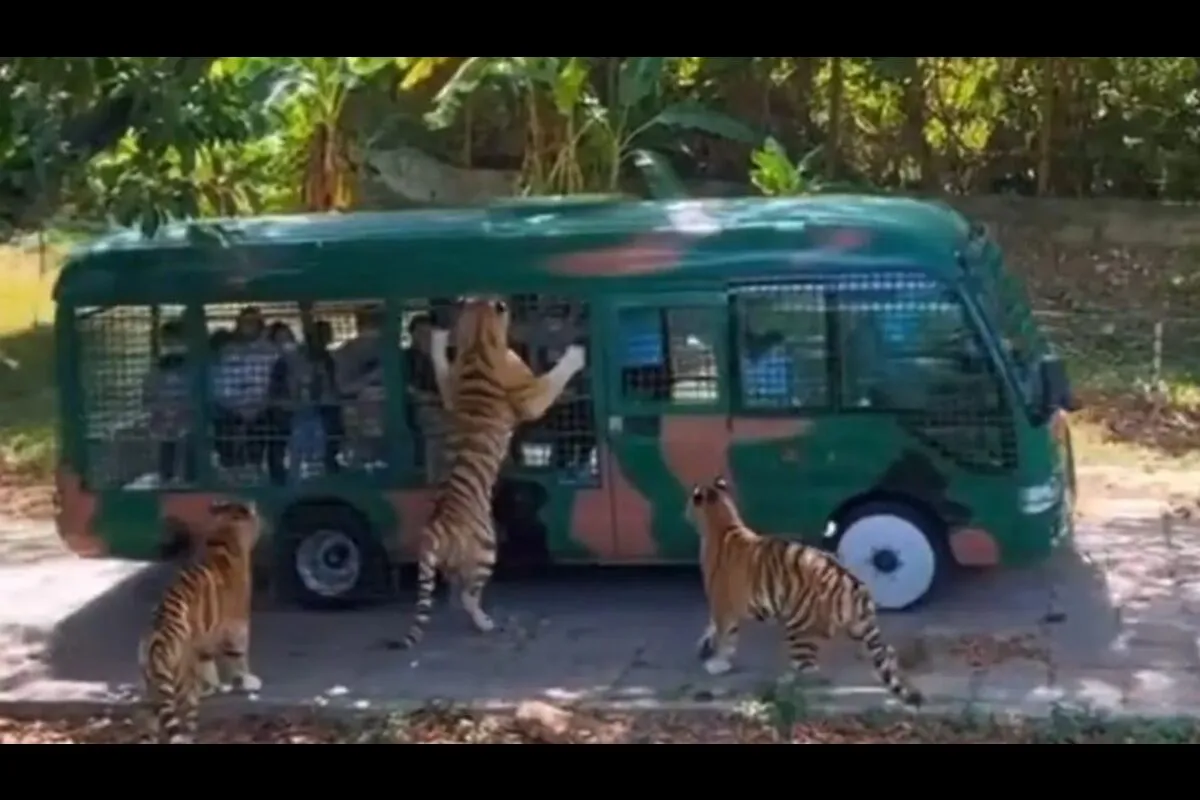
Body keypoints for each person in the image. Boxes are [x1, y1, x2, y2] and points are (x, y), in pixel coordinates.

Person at [210, 306, 281, 479]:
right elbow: (222, 381)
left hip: (262, 407)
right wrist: (237, 405)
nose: (250, 326)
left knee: (263, 431)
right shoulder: (228, 350)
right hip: (231, 408)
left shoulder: (271, 350)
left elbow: (270, 380)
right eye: (246, 322)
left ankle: (255, 468)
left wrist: (259, 404)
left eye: (254, 322)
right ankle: (230, 469)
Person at [142, 320, 194, 484]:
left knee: (190, 446)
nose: (171, 345)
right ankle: (166, 480)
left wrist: (182, 410)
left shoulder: (191, 365)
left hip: (186, 418)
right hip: (163, 418)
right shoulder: (157, 366)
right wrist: (160, 410)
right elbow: (148, 393)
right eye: (168, 341)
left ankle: (191, 482)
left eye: (175, 340)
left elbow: (195, 392)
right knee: (166, 449)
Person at [404, 314, 449, 482]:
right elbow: (407, 388)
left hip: (446, 404)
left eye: (428, 331)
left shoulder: (443, 355)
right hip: (421, 407)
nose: (425, 335)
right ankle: (435, 479)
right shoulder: (407, 358)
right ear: (412, 335)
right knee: (438, 428)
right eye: (420, 332)